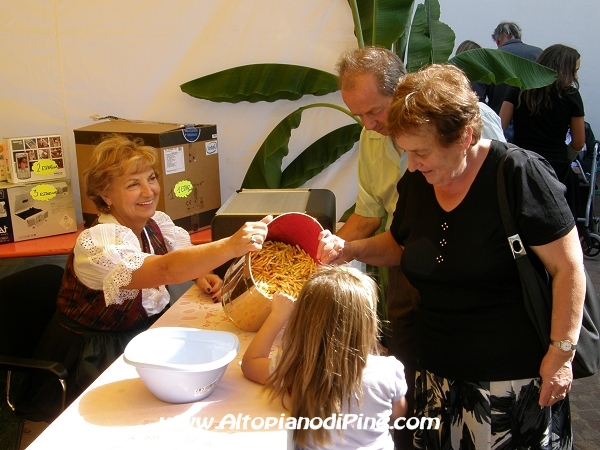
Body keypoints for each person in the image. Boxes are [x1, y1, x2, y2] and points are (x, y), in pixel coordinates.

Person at [318, 63, 585, 448]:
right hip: (436, 376)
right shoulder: (419, 180)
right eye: (407, 152)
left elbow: (569, 267)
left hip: (509, 380)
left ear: (464, 136)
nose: (412, 164)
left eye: (421, 152)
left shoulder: (517, 174)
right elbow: (400, 244)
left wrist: (561, 354)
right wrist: (351, 249)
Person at [16, 134, 271, 421]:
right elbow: (163, 270)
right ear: (105, 194)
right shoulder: (98, 243)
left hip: (144, 336)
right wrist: (229, 246)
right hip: (94, 358)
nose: (149, 191)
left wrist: (202, 274)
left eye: (151, 178)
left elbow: (179, 258)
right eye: (133, 184)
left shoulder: (155, 224)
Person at [334, 46, 505, 449]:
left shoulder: (465, 124)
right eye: (357, 114)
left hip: (469, 269)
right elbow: (369, 215)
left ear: (402, 91)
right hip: (405, 263)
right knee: (410, 364)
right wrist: (328, 249)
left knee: (468, 374)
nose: (369, 123)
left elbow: (500, 190)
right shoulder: (371, 139)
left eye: (374, 110)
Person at [241, 266, 408, 450]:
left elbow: (250, 363)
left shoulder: (296, 367)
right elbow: (398, 413)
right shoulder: (388, 370)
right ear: (368, 323)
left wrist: (276, 316)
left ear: (302, 321)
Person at [499, 44, 585, 218]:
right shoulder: (571, 96)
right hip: (555, 166)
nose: (575, 76)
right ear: (565, 70)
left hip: (522, 160)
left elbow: (499, 126)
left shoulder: (520, 88)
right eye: (574, 71)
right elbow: (579, 141)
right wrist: (565, 157)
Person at [486, 22, 543, 115]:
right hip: (532, 118)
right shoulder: (538, 53)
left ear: (497, 40)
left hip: (500, 117)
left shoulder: (491, 56)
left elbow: (479, 93)